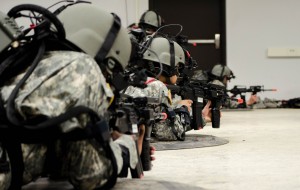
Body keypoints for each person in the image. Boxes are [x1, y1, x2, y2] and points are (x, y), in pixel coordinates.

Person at [0, 3, 152, 190]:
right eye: (108, 76)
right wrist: (124, 147)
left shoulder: (25, 64)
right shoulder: (81, 66)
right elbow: (90, 176)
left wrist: (94, 136)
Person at [123, 36, 211, 141]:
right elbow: (167, 133)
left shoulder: (133, 79)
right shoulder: (157, 86)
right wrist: (184, 110)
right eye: (178, 67)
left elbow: (154, 122)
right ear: (169, 66)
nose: (179, 73)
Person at [192, 64, 258, 108]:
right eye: (228, 78)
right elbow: (228, 103)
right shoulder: (217, 84)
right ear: (224, 77)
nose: (228, 81)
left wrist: (236, 99)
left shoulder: (206, 82)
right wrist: (247, 102)